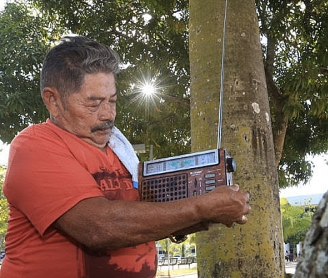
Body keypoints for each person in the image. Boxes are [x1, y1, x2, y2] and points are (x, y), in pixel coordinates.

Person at [1, 36, 251, 278]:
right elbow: (98, 227)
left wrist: (211, 212)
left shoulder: (120, 150)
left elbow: (145, 220)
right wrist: (200, 208)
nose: (108, 114)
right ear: (53, 100)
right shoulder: (35, 145)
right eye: (94, 103)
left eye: (112, 100)